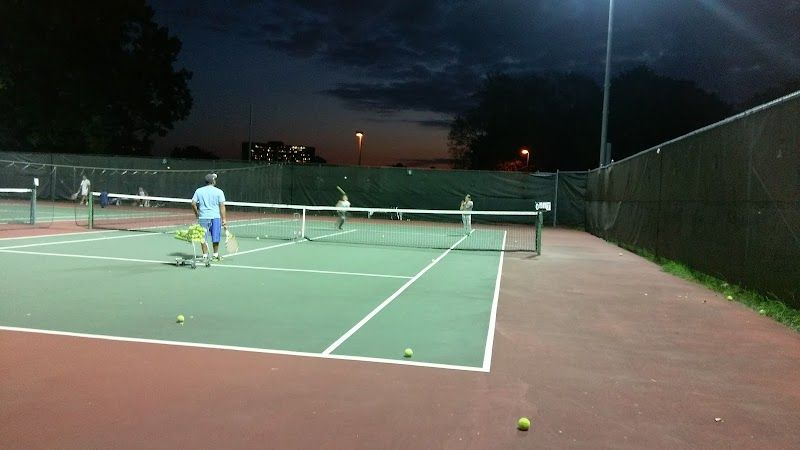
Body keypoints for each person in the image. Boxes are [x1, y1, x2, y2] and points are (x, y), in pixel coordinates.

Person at [191, 173, 227, 262]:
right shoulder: (219, 191)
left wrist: (197, 214)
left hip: (203, 218)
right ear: (213, 181)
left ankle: (205, 256)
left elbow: (193, 203)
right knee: (216, 237)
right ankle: (215, 255)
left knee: (203, 237)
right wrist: (224, 219)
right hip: (215, 218)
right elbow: (222, 206)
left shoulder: (199, 191)